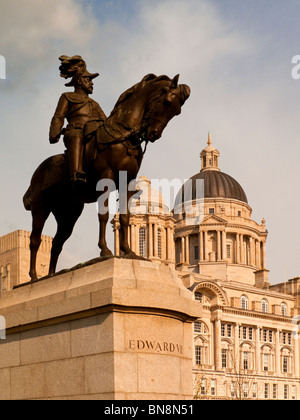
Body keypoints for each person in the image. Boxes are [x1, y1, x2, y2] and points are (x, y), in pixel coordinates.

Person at [49, 55, 106, 184]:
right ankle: (76, 173)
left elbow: (105, 121)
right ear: (79, 81)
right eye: (88, 79)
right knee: (76, 136)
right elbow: (58, 116)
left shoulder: (94, 104)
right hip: (76, 130)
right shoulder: (67, 97)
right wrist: (55, 131)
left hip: (93, 132)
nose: (92, 83)